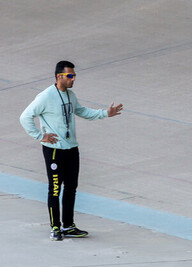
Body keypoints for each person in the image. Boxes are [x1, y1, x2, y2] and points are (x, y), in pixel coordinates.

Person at [20, 60, 123, 241]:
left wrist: (105, 113)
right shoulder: (45, 96)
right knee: (55, 189)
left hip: (71, 150)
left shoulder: (70, 95)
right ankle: (55, 227)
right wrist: (39, 136)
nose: (73, 79)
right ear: (59, 76)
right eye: (70, 76)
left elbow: (82, 111)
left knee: (71, 188)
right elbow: (25, 117)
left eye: (74, 76)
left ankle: (68, 225)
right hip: (54, 151)